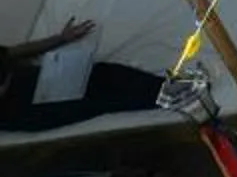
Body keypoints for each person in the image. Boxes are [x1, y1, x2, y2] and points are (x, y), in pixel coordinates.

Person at [0, 18, 172, 133]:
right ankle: (174, 98)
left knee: (104, 72)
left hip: (38, 79)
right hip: (23, 109)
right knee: (98, 100)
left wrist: (62, 38)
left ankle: (173, 86)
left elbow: (13, 52)